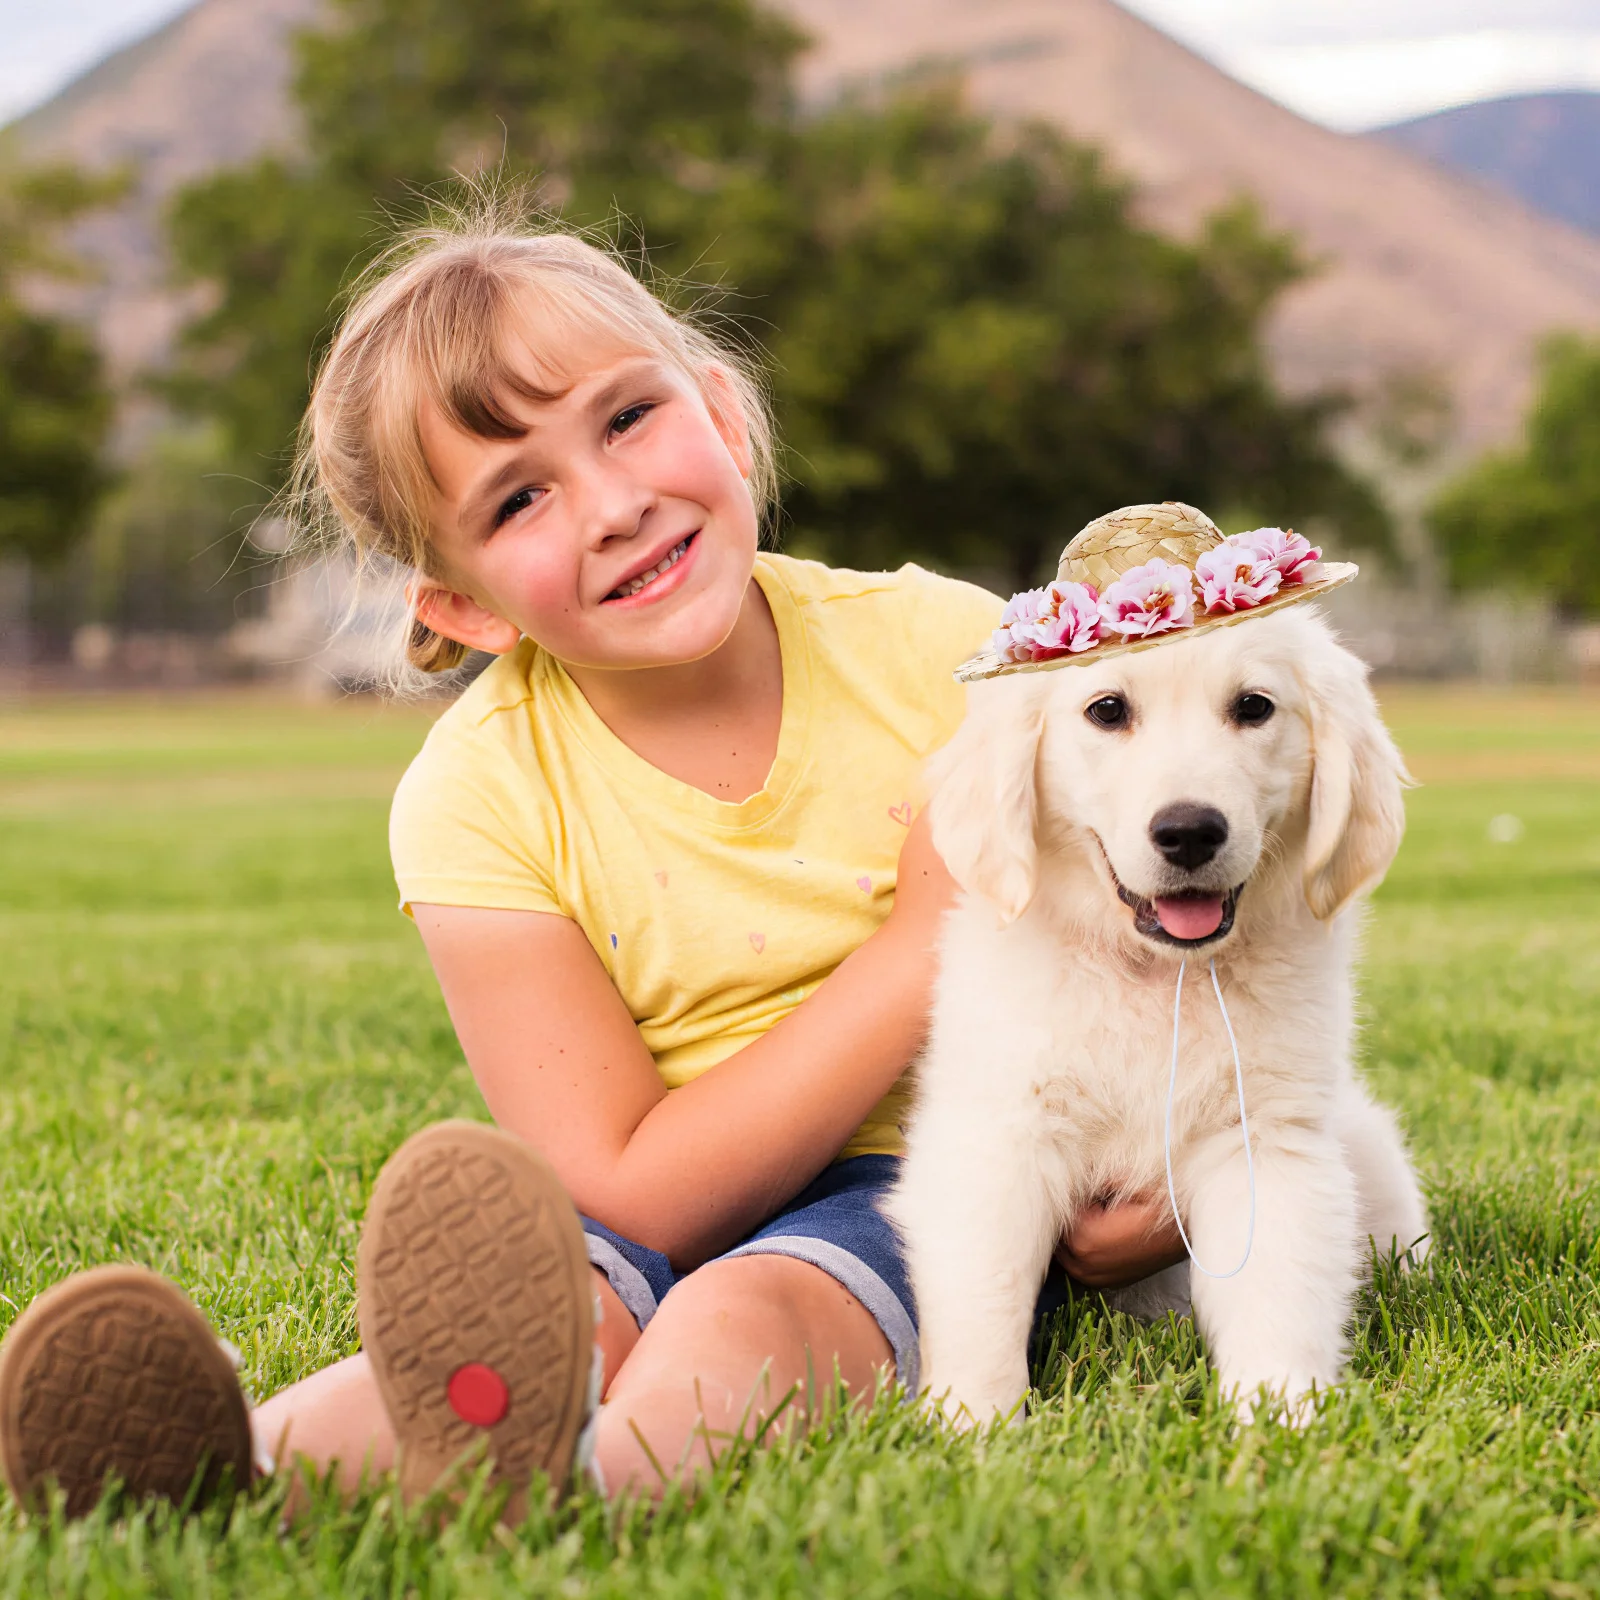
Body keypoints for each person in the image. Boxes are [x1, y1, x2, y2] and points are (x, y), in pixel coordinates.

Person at [0, 209, 1187, 1520]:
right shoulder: (478, 797)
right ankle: (235, 1467)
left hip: (930, 1172)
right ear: (464, 606)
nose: (616, 506)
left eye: (627, 419)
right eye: (519, 499)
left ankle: (590, 1485)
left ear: (722, 415)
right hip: (643, 1192)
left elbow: (1171, 928)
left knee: (750, 1306)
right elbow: (629, 1188)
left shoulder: (959, 656)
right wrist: (924, 943)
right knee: (536, 1310)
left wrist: (1174, 1172)